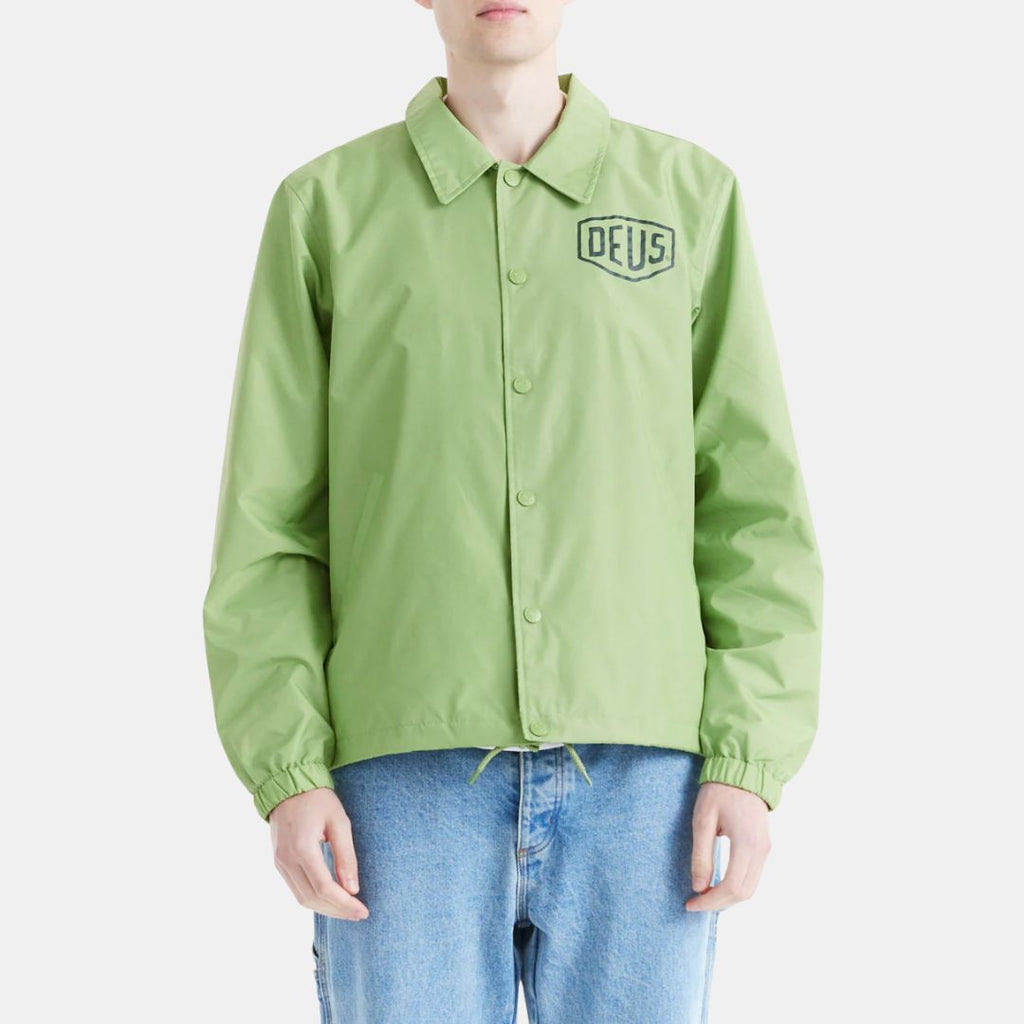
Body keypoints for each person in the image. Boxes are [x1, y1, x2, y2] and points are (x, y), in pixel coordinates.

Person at [201, 1, 824, 1020]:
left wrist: (749, 760)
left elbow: (752, 507)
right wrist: (289, 769)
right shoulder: (327, 209)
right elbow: (269, 523)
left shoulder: (689, 198)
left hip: (647, 783)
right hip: (399, 787)